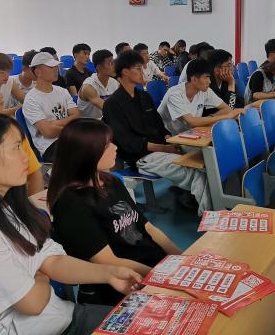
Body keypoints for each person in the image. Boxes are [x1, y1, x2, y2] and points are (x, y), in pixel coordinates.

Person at [0, 113, 142, 335]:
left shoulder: (3, 207)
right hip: (36, 329)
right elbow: (33, 304)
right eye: (16, 148)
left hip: (60, 318)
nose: (26, 158)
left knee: (152, 322)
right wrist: (40, 273)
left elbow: (52, 260)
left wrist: (109, 273)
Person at [48, 118, 181, 305]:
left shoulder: (111, 181)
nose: (115, 148)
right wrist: (161, 277)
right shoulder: (71, 204)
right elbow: (108, 261)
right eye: (106, 145)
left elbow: (147, 227)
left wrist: (181, 258)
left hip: (155, 268)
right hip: (125, 284)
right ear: (87, 154)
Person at [102, 51, 213, 214]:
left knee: (207, 160)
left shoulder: (144, 96)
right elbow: (127, 142)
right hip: (142, 157)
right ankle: (209, 217)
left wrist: (170, 140)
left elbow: (159, 125)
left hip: (162, 148)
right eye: (138, 68)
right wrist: (164, 148)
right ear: (125, 72)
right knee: (196, 171)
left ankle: (205, 204)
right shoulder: (113, 104)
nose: (143, 71)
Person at [158, 58, 244, 136]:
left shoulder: (204, 90)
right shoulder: (174, 94)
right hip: (168, 138)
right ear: (194, 79)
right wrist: (227, 116)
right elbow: (192, 121)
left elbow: (227, 109)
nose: (209, 81)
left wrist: (211, 118)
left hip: (191, 134)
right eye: (206, 77)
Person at [23, 52, 80, 162]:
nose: (56, 69)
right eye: (51, 67)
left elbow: (76, 115)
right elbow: (48, 132)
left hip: (69, 138)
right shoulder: (31, 99)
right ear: (38, 72)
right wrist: (71, 128)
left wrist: (53, 123)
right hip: (50, 146)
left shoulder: (62, 91)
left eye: (56, 66)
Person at [78, 49, 119, 120]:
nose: (114, 66)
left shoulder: (114, 83)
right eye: (110, 63)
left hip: (106, 121)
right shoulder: (88, 86)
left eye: (114, 63)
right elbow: (107, 108)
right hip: (88, 123)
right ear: (99, 67)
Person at [206, 49, 242, 113]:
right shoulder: (207, 86)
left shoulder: (227, 81)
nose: (233, 67)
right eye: (229, 65)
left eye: (232, 64)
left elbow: (240, 103)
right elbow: (230, 108)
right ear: (217, 70)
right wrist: (231, 84)